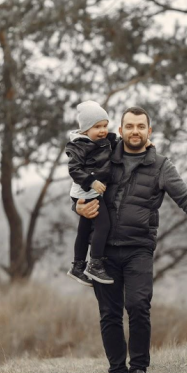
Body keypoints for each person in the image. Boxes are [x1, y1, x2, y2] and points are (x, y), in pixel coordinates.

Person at [75, 106, 187, 373]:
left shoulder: (160, 166)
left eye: (140, 127)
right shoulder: (103, 156)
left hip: (138, 249)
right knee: (109, 314)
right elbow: (80, 185)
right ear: (119, 131)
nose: (135, 131)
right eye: (129, 126)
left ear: (149, 131)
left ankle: (139, 371)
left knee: (138, 306)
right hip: (102, 252)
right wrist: (77, 206)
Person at [65, 101, 117, 286]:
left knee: (84, 229)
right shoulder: (79, 146)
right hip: (86, 191)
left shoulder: (101, 142)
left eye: (105, 125)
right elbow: (75, 170)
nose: (103, 130)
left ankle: (78, 266)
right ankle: (95, 263)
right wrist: (92, 182)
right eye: (97, 127)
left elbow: (117, 144)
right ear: (86, 129)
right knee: (103, 225)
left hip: (88, 191)